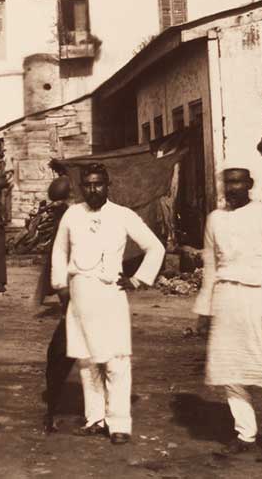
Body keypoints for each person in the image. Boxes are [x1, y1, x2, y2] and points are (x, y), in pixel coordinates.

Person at [50, 162, 165, 445]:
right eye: (87, 184)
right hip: (79, 296)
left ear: (107, 184)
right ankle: (95, 419)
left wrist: (138, 279)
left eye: (98, 184)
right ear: (81, 187)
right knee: (87, 362)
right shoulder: (72, 215)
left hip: (110, 296)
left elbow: (155, 247)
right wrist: (61, 287)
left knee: (115, 360)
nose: (93, 189)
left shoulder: (122, 215)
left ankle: (119, 424)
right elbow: (59, 251)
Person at [194, 167, 262, 462]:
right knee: (229, 369)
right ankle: (245, 433)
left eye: (238, 182)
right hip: (225, 299)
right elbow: (210, 266)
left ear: (249, 184)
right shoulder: (215, 219)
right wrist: (204, 310)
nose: (232, 188)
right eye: (228, 183)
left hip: (258, 298)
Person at [35, 175, 75, 433]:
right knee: (59, 355)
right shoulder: (63, 222)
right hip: (70, 296)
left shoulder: (74, 221)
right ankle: (53, 410)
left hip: (84, 296)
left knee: (61, 355)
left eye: (61, 204)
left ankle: (54, 411)